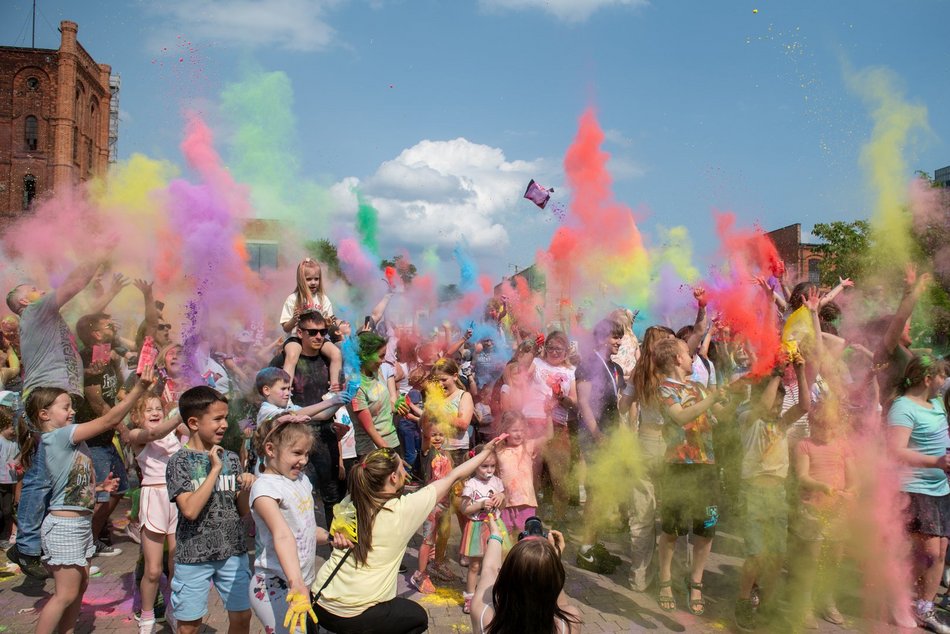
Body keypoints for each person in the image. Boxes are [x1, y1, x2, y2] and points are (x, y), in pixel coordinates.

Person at [310, 436, 508, 633]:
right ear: (393, 478)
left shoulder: (351, 501)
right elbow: (453, 477)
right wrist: (485, 452)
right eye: (402, 468)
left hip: (320, 600)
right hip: (356, 614)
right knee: (418, 618)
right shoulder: (403, 510)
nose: (406, 471)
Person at [23, 365, 152, 634]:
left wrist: (100, 487)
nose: (72, 411)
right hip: (65, 527)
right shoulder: (57, 436)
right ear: (44, 414)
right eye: (65, 407)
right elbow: (108, 420)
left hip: (80, 525)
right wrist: (138, 389)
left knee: (79, 589)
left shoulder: (72, 441)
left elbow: (70, 483)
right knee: (65, 594)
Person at [6, 260, 107, 579]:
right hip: (45, 401)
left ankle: (63, 550)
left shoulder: (47, 319)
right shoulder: (36, 311)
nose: (41, 290)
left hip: (57, 400)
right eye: (33, 290)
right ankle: (26, 546)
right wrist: (99, 252)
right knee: (40, 474)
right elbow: (74, 283)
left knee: (71, 472)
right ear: (25, 301)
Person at [166, 386, 256, 634]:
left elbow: (241, 510)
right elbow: (190, 510)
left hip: (233, 552)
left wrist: (246, 487)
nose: (224, 424)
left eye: (225, 417)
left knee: (243, 616)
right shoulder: (179, 462)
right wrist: (214, 469)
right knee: (189, 627)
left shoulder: (231, 458)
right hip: (193, 557)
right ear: (194, 423)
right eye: (217, 419)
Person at [734, 358, 810, 631]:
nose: (777, 408)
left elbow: (804, 406)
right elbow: (763, 407)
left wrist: (800, 370)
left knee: (776, 555)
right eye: (775, 402)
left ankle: (767, 603)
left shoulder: (781, 423)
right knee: (756, 554)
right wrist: (777, 372)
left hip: (777, 493)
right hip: (753, 493)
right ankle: (743, 601)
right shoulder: (748, 418)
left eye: (780, 403)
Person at [249, 411, 341, 633]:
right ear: (270, 449)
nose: (304, 460)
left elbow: (306, 529)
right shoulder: (265, 488)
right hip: (276, 584)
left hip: (299, 583)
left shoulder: (301, 480)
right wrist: (296, 582)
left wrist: (331, 537)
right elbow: (282, 534)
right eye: (297, 453)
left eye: (307, 453)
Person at [654, 336, 723, 615]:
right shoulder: (664, 389)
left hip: (706, 466)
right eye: (687, 352)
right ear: (676, 359)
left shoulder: (698, 387)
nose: (692, 356)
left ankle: (696, 583)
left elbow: (721, 414)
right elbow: (681, 417)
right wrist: (713, 398)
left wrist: (739, 394)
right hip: (678, 467)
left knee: (707, 527)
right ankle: (665, 583)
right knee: (671, 529)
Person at [886, 355, 950, 634]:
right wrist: (936, 461)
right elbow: (896, 451)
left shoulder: (936, 403)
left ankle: (925, 607)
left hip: (941, 488)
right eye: (941, 376)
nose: (944, 381)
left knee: (940, 550)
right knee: (927, 551)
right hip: (914, 488)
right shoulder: (902, 407)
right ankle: (900, 600)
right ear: (927, 379)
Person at [269, 310, 344, 528]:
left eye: (323, 332)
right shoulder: (285, 358)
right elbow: (268, 393)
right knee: (294, 491)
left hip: (324, 431)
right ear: (300, 333)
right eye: (312, 332)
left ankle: (334, 541)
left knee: (332, 493)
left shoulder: (328, 357)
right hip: (294, 433)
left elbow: (338, 391)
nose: (319, 337)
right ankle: (295, 538)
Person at [127, 394, 187, 634]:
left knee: (176, 565)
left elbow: (194, 431)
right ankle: (147, 616)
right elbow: (154, 434)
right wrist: (180, 415)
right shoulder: (136, 435)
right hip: (153, 499)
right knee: (153, 569)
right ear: (136, 416)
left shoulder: (174, 433)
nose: (154, 412)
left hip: (177, 499)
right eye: (148, 409)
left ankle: (173, 609)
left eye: (158, 408)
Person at [625, 324, 674, 591]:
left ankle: (639, 577)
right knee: (672, 511)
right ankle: (672, 576)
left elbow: (623, 405)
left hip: (644, 441)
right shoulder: (671, 372)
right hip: (669, 443)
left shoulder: (639, 372)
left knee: (642, 514)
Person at [575, 318, 626, 574]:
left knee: (605, 491)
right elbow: (584, 403)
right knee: (595, 491)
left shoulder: (615, 367)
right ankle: (585, 548)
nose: (619, 342)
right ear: (602, 337)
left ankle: (595, 543)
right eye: (615, 337)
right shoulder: (588, 364)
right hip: (595, 436)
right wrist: (597, 435)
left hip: (612, 435)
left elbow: (618, 403)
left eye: (620, 337)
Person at [74, 312, 127, 557]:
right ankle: (83, 547)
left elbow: (116, 392)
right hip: (93, 440)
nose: (113, 326)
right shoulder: (86, 357)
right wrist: (123, 429)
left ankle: (92, 541)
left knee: (119, 489)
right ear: (95, 333)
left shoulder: (108, 355)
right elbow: (97, 403)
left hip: (107, 438)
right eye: (108, 325)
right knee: (101, 497)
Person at [471, 519, 581, 634]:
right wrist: (552, 560)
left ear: (505, 578)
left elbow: (489, 569)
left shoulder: (483, 616)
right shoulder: (569, 623)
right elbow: (561, 604)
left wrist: (495, 535)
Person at [279, 259, 343, 392]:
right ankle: (286, 391)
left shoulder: (323, 299)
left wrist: (328, 324)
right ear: (301, 280)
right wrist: (294, 319)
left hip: (317, 338)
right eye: (309, 279)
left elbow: (328, 324)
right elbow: (286, 327)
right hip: (296, 338)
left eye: (316, 279)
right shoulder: (293, 299)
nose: (313, 282)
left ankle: (334, 389)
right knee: (292, 355)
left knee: (336, 353)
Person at [459, 443, 506, 614]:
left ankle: (495, 594)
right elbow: (464, 509)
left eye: (492, 466)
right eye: (484, 466)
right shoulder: (471, 484)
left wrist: (501, 497)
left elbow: (504, 507)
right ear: (475, 464)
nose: (489, 470)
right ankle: (470, 597)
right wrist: (480, 504)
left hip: (494, 526)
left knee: (496, 564)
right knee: (474, 566)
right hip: (477, 528)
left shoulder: (497, 482)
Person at [410, 424, 453, 593]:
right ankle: (420, 575)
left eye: (441, 434)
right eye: (433, 435)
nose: (437, 438)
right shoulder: (427, 453)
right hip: (432, 504)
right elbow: (426, 437)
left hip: (446, 503)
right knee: (428, 539)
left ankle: (437, 563)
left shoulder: (446, 454)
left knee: (444, 535)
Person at [352, 331, 401, 460]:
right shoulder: (355, 385)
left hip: (392, 441)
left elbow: (387, 408)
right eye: (381, 356)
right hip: (374, 451)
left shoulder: (376, 372)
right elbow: (370, 429)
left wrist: (398, 406)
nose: (383, 360)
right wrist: (392, 456)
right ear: (365, 355)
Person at [495, 411, 541, 537]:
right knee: (505, 539)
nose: (519, 434)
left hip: (526, 503)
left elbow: (549, 436)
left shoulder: (528, 446)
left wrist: (548, 414)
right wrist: (499, 440)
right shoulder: (498, 450)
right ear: (505, 431)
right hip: (505, 503)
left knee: (526, 539)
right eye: (515, 430)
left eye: (522, 430)